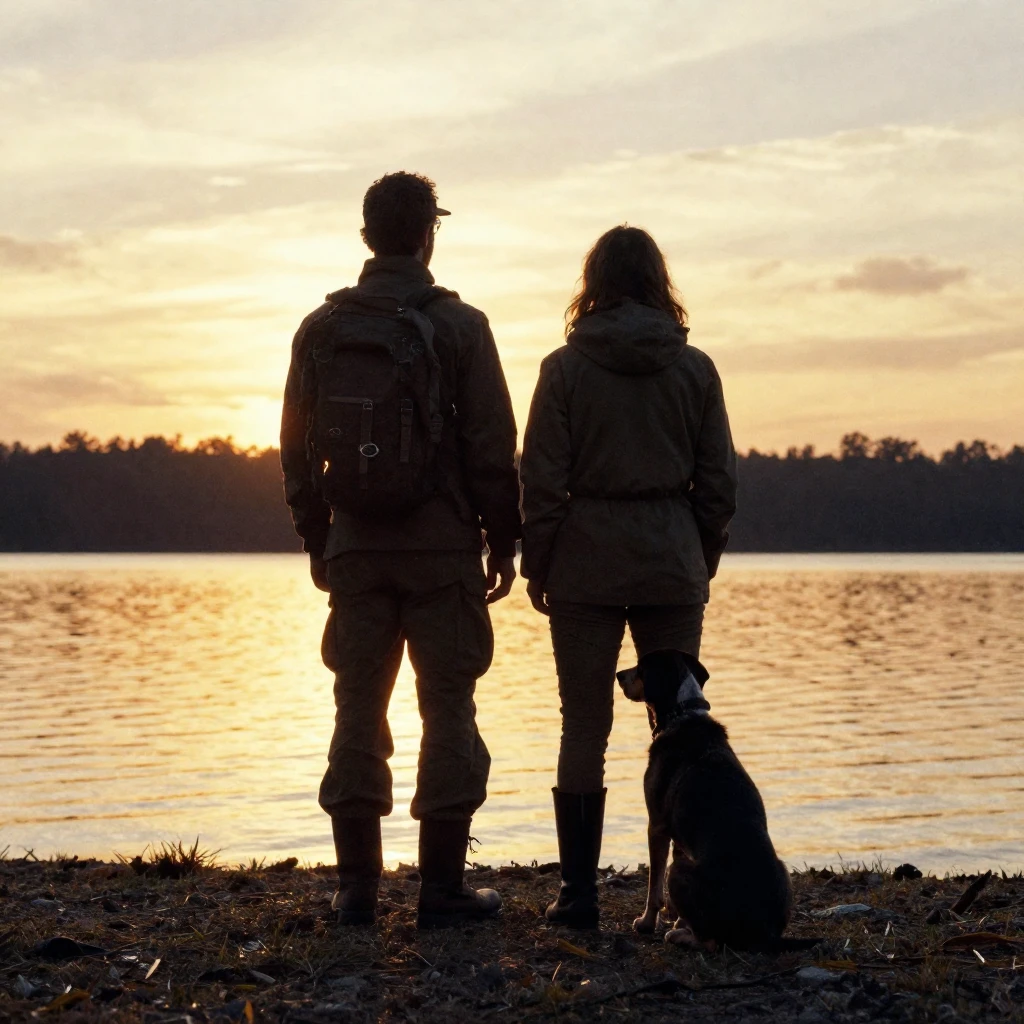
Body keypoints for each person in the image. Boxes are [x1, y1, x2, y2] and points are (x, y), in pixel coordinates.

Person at [280, 171, 521, 928]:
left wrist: (317, 536)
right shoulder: (461, 326)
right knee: (447, 707)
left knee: (356, 706)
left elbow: (292, 446)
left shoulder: (321, 328)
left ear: (365, 238)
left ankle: (356, 890)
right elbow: (490, 445)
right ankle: (441, 892)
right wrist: (504, 538)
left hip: (355, 548)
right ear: (428, 235)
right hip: (442, 547)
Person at [519, 225, 738, 929]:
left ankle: (579, 895)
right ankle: (682, 893)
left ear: (593, 284)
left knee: (583, 722)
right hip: (671, 554)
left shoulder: (562, 370)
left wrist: (539, 561)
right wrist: (699, 553)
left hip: (585, 559)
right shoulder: (696, 368)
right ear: (659, 282)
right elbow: (719, 485)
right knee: (678, 725)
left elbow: (542, 481)